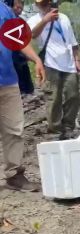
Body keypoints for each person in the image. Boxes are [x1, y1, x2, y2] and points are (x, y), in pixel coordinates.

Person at [1, 1, 46, 191]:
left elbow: (18, 39)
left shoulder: (4, 9)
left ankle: (14, 175)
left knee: (14, 128)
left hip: (8, 80)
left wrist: (36, 59)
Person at [28, 0, 80, 140]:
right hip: (50, 63)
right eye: (42, 4)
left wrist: (77, 59)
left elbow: (73, 41)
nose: (46, 6)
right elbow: (32, 35)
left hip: (69, 63)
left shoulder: (64, 18)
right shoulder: (34, 20)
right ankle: (56, 130)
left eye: (47, 3)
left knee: (73, 96)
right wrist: (45, 20)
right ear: (37, 6)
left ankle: (68, 127)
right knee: (53, 98)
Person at [9, 0, 35, 95]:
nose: (19, 7)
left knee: (27, 88)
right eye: (17, 4)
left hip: (21, 59)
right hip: (10, 61)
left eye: (22, 4)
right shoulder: (4, 19)